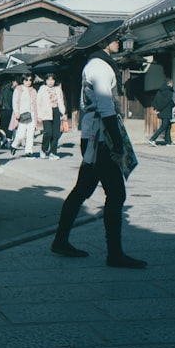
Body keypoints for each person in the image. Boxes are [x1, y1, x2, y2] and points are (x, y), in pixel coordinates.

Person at [50, 20, 147, 269]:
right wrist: (116, 143)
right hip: (101, 139)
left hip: (92, 137)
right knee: (116, 194)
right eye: (115, 37)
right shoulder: (101, 68)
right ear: (104, 42)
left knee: (82, 190)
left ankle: (60, 241)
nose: (118, 40)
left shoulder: (93, 65)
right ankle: (114, 254)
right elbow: (106, 109)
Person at [36, 73, 67, 159]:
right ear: (45, 81)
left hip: (56, 111)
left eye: (52, 80)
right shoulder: (42, 89)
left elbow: (61, 101)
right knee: (48, 132)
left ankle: (53, 152)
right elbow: (38, 103)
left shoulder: (58, 89)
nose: (50, 82)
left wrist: (63, 113)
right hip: (46, 112)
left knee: (56, 133)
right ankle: (43, 149)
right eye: (48, 80)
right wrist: (39, 115)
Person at [9, 74, 38, 157]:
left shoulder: (33, 90)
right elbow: (15, 102)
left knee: (30, 134)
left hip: (32, 113)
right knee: (21, 134)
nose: (28, 82)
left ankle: (28, 151)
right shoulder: (18, 89)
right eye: (26, 80)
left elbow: (36, 103)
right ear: (23, 80)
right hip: (21, 114)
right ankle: (14, 145)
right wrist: (16, 112)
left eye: (30, 80)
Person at [148, 77, 175, 146]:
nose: (172, 84)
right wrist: (174, 105)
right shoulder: (169, 92)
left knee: (168, 126)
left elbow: (156, 100)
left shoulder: (160, 91)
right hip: (166, 111)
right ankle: (152, 139)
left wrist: (156, 108)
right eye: (171, 83)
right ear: (168, 83)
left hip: (163, 111)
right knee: (164, 126)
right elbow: (168, 102)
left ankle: (169, 141)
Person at [0, 77, 18, 149]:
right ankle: (8, 140)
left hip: (3, 109)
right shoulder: (11, 90)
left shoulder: (3, 88)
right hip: (9, 109)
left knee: (2, 126)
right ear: (14, 82)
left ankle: (4, 139)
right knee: (10, 126)